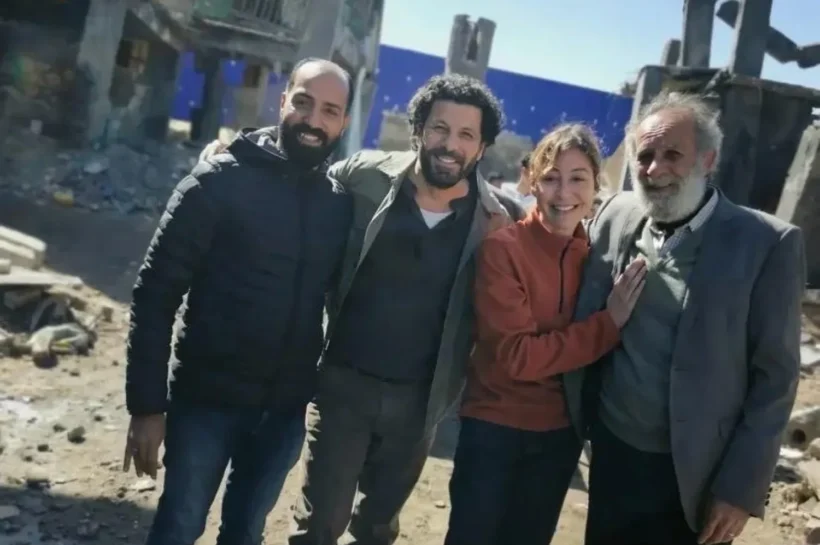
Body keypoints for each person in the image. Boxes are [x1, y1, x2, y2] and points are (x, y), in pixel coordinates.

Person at [199, 73, 523, 545]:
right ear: (418, 131)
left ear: (482, 147)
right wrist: (235, 159)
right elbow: (298, 175)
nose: (450, 145)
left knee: (375, 530)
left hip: (421, 402)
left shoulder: (494, 222)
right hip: (343, 388)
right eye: (439, 128)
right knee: (318, 526)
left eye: (466, 134)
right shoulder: (364, 176)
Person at [122, 58, 354, 545]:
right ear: (283, 101)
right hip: (205, 405)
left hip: (283, 415)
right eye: (304, 102)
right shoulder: (217, 182)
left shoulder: (338, 204)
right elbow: (155, 292)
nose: (313, 120)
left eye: (330, 111)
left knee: (246, 533)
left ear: (344, 122)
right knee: (179, 528)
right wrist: (146, 407)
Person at [563, 91, 806, 545]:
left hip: (697, 476)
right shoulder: (616, 214)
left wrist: (740, 489)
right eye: (645, 155)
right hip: (613, 454)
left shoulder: (766, 244)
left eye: (673, 154)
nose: (655, 169)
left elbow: (775, 380)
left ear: (707, 160)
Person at [443, 124, 647, 545]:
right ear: (532, 181)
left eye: (578, 179)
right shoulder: (503, 250)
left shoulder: (598, 259)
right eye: (551, 177)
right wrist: (607, 325)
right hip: (495, 428)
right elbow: (518, 356)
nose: (564, 192)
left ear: (596, 186)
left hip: (559, 438)